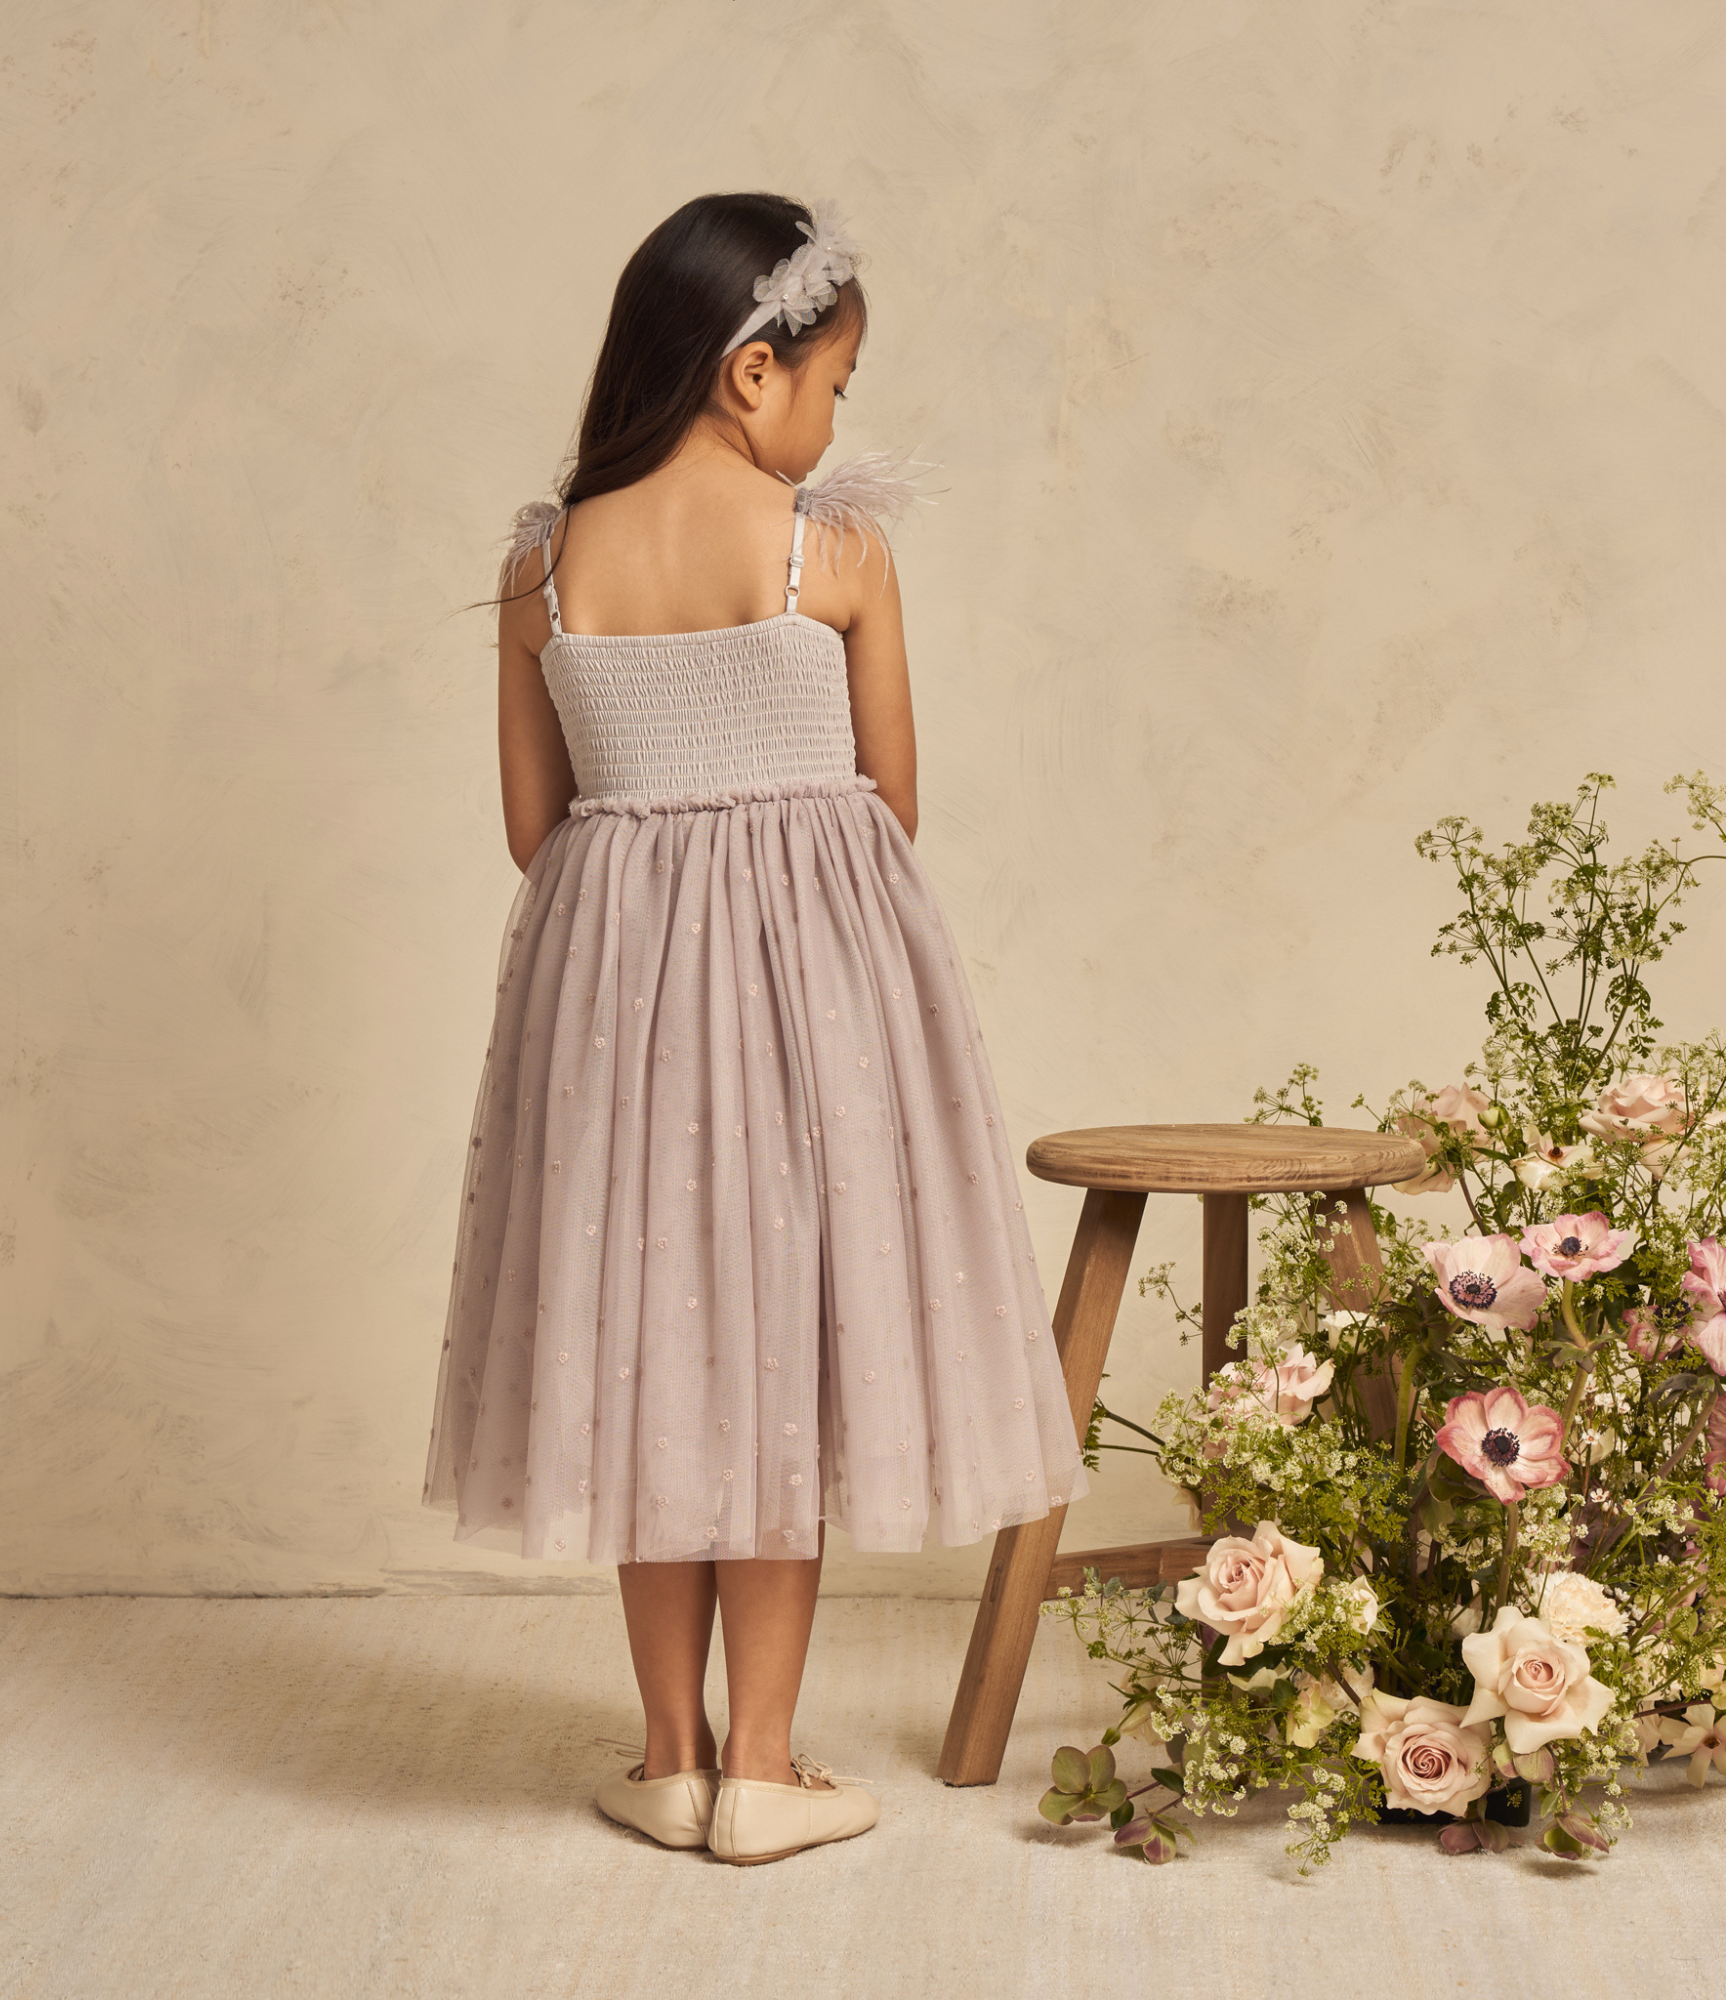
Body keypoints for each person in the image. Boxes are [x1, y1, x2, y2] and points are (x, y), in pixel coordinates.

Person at [423, 193, 1089, 1866]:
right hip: (812, 994)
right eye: (835, 386)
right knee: (777, 1348)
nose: (837, 421)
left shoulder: (542, 563)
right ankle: (768, 1773)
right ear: (750, 373)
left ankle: (665, 1755)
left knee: (653, 1354)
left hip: (613, 1002)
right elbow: (893, 797)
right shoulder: (831, 553)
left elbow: (534, 823)